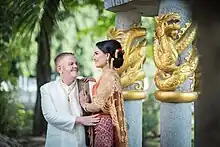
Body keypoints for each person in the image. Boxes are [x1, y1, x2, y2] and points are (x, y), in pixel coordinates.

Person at [40, 52, 100, 147]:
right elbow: (50, 116)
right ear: (60, 69)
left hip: (80, 140)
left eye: (76, 63)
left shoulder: (85, 85)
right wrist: (80, 120)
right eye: (71, 64)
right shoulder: (47, 89)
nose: (75, 66)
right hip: (58, 141)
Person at [80, 40, 128, 147]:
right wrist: (94, 84)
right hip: (104, 123)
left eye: (96, 53)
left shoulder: (108, 77)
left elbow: (97, 106)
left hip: (103, 125)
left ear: (107, 55)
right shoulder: (109, 75)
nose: (94, 58)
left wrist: (84, 104)